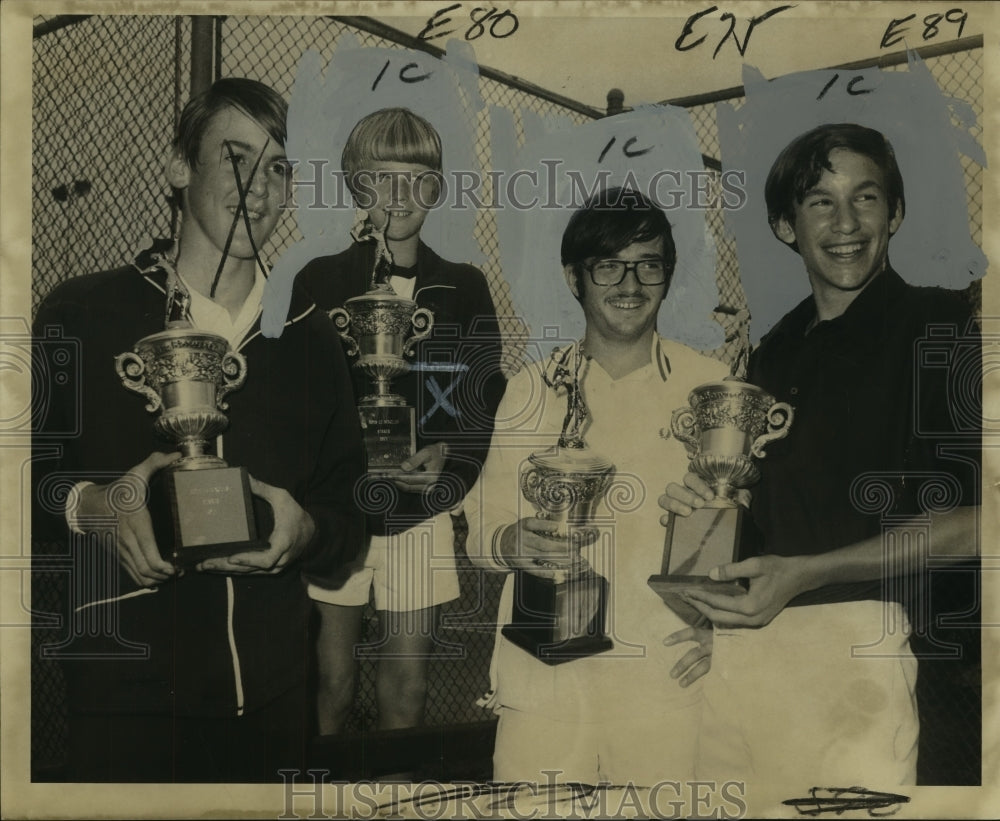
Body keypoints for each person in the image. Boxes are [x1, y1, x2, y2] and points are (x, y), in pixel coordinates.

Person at [31, 78, 365, 782]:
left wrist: (307, 533)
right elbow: (22, 479)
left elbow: (349, 510)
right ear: (178, 167)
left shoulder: (312, 338)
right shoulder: (86, 313)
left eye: (277, 167)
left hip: (274, 703)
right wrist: (94, 506)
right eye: (235, 158)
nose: (259, 187)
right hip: (127, 698)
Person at [660, 123, 981, 790]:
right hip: (745, 654)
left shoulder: (939, 326)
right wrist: (704, 525)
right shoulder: (775, 349)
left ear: (894, 213)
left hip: (858, 649)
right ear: (786, 225)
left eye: (865, 198)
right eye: (819, 201)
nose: (845, 222)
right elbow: (767, 513)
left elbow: (979, 519)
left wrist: (805, 574)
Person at [463, 187, 728, 786]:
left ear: (668, 276)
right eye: (608, 265)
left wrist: (727, 631)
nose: (629, 284)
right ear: (574, 277)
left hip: (667, 682)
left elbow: (738, 533)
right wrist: (511, 541)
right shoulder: (529, 388)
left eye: (648, 265)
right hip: (545, 683)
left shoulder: (710, 388)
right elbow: (482, 528)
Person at [295, 107, 506, 733]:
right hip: (339, 515)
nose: (401, 195)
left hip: (417, 513)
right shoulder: (321, 278)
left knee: (407, 689)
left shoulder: (462, 286)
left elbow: (481, 396)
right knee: (329, 686)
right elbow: (301, 398)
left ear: (436, 188)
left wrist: (448, 461)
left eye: (417, 178)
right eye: (383, 178)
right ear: (358, 185)